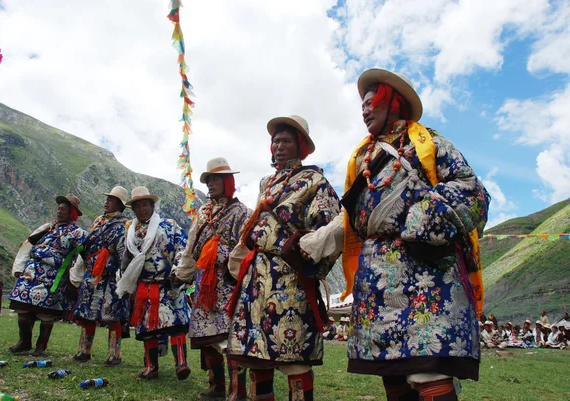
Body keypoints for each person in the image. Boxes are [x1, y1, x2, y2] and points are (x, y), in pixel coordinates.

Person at [298, 68, 491, 400]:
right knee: (392, 371)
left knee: (430, 368)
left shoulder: (430, 144)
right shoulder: (363, 159)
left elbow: (472, 191)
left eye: (372, 102)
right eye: (362, 105)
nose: (364, 110)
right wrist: (319, 243)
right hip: (376, 278)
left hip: (426, 272)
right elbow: (354, 218)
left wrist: (422, 217)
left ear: (393, 102)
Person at [226, 115, 341, 401]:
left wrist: (307, 252)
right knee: (257, 353)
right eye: (275, 141)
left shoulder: (315, 180)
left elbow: (328, 225)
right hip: (257, 276)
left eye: (286, 140)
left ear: (300, 145)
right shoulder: (266, 183)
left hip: (290, 276)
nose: (278, 146)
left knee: (293, 355)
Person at [174, 157, 250, 401]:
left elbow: (247, 248)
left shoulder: (242, 213)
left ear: (228, 181)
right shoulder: (203, 214)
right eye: (208, 180)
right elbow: (191, 247)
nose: (211, 184)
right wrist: (182, 273)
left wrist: (221, 254)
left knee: (230, 339)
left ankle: (237, 391)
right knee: (208, 339)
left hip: (227, 282)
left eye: (216, 179)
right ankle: (216, 386)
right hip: (203, 282)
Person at [116, 186, 190, 380]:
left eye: (145, 205)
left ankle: (181, 364)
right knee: (147, 329)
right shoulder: (130, 232)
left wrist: (178, 270)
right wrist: (124, 277)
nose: (142, 209)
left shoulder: (169, 225)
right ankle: (151, 367)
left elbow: (183, 246)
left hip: (168, 283)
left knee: (175, 324)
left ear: (152, 205)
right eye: (138, 206)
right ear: (134, 210)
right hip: (144, 286)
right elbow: (126, 258)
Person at [9, 194, 87, 356]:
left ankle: (41, 346)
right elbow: (28, 243)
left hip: (54, 275)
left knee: (47, 312)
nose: (59, 212)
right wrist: (19, 267)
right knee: (22, 307)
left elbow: (84, 255)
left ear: (72, 212)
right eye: (58, 209)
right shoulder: (47, 227)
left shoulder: (78, 233)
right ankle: (24, 342)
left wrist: (75, 276)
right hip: (31, 271)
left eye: (63, 209)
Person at [71, 186, 130, 366]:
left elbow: (122, 251)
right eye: (107, 199)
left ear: (119, 204)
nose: (106, 202)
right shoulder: (98, 221)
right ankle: (84, 350)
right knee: (87, 313)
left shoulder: (124, 225)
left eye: (111, 200)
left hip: (110, 276)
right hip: (91, 274)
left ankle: (115, 354)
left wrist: (121, 274)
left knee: (112, 315)